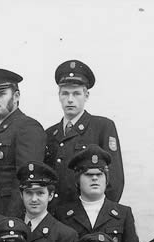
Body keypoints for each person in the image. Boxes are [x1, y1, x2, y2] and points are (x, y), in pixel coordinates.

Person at [56, 146, 142, 242]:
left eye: (99, 174)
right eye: (88, 175)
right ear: (78, 180)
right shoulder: (62, 214)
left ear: (106, 179)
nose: (95, 178)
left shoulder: (123, 214)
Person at [45, 59, 124, 208]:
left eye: (76, 94)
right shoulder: (50, 134)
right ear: (59, 95)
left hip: (87, 214)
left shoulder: (102, 127)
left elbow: (115, 181)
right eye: (65, 93)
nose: (70, 100)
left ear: (86, 95)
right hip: (56, 214)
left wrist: (99, 216)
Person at [0, 69, 45, 217]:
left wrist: (12, 220)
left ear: (16, 96)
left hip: (11, 214)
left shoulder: (27, 127)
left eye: (1, 94)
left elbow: (26, 180)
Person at [17, 162, 78, 242]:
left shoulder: (64, 235)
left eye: (40, 193)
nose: (34, 199)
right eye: (29, 193)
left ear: (50, 195)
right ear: (21, 195)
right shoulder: (12, 229)